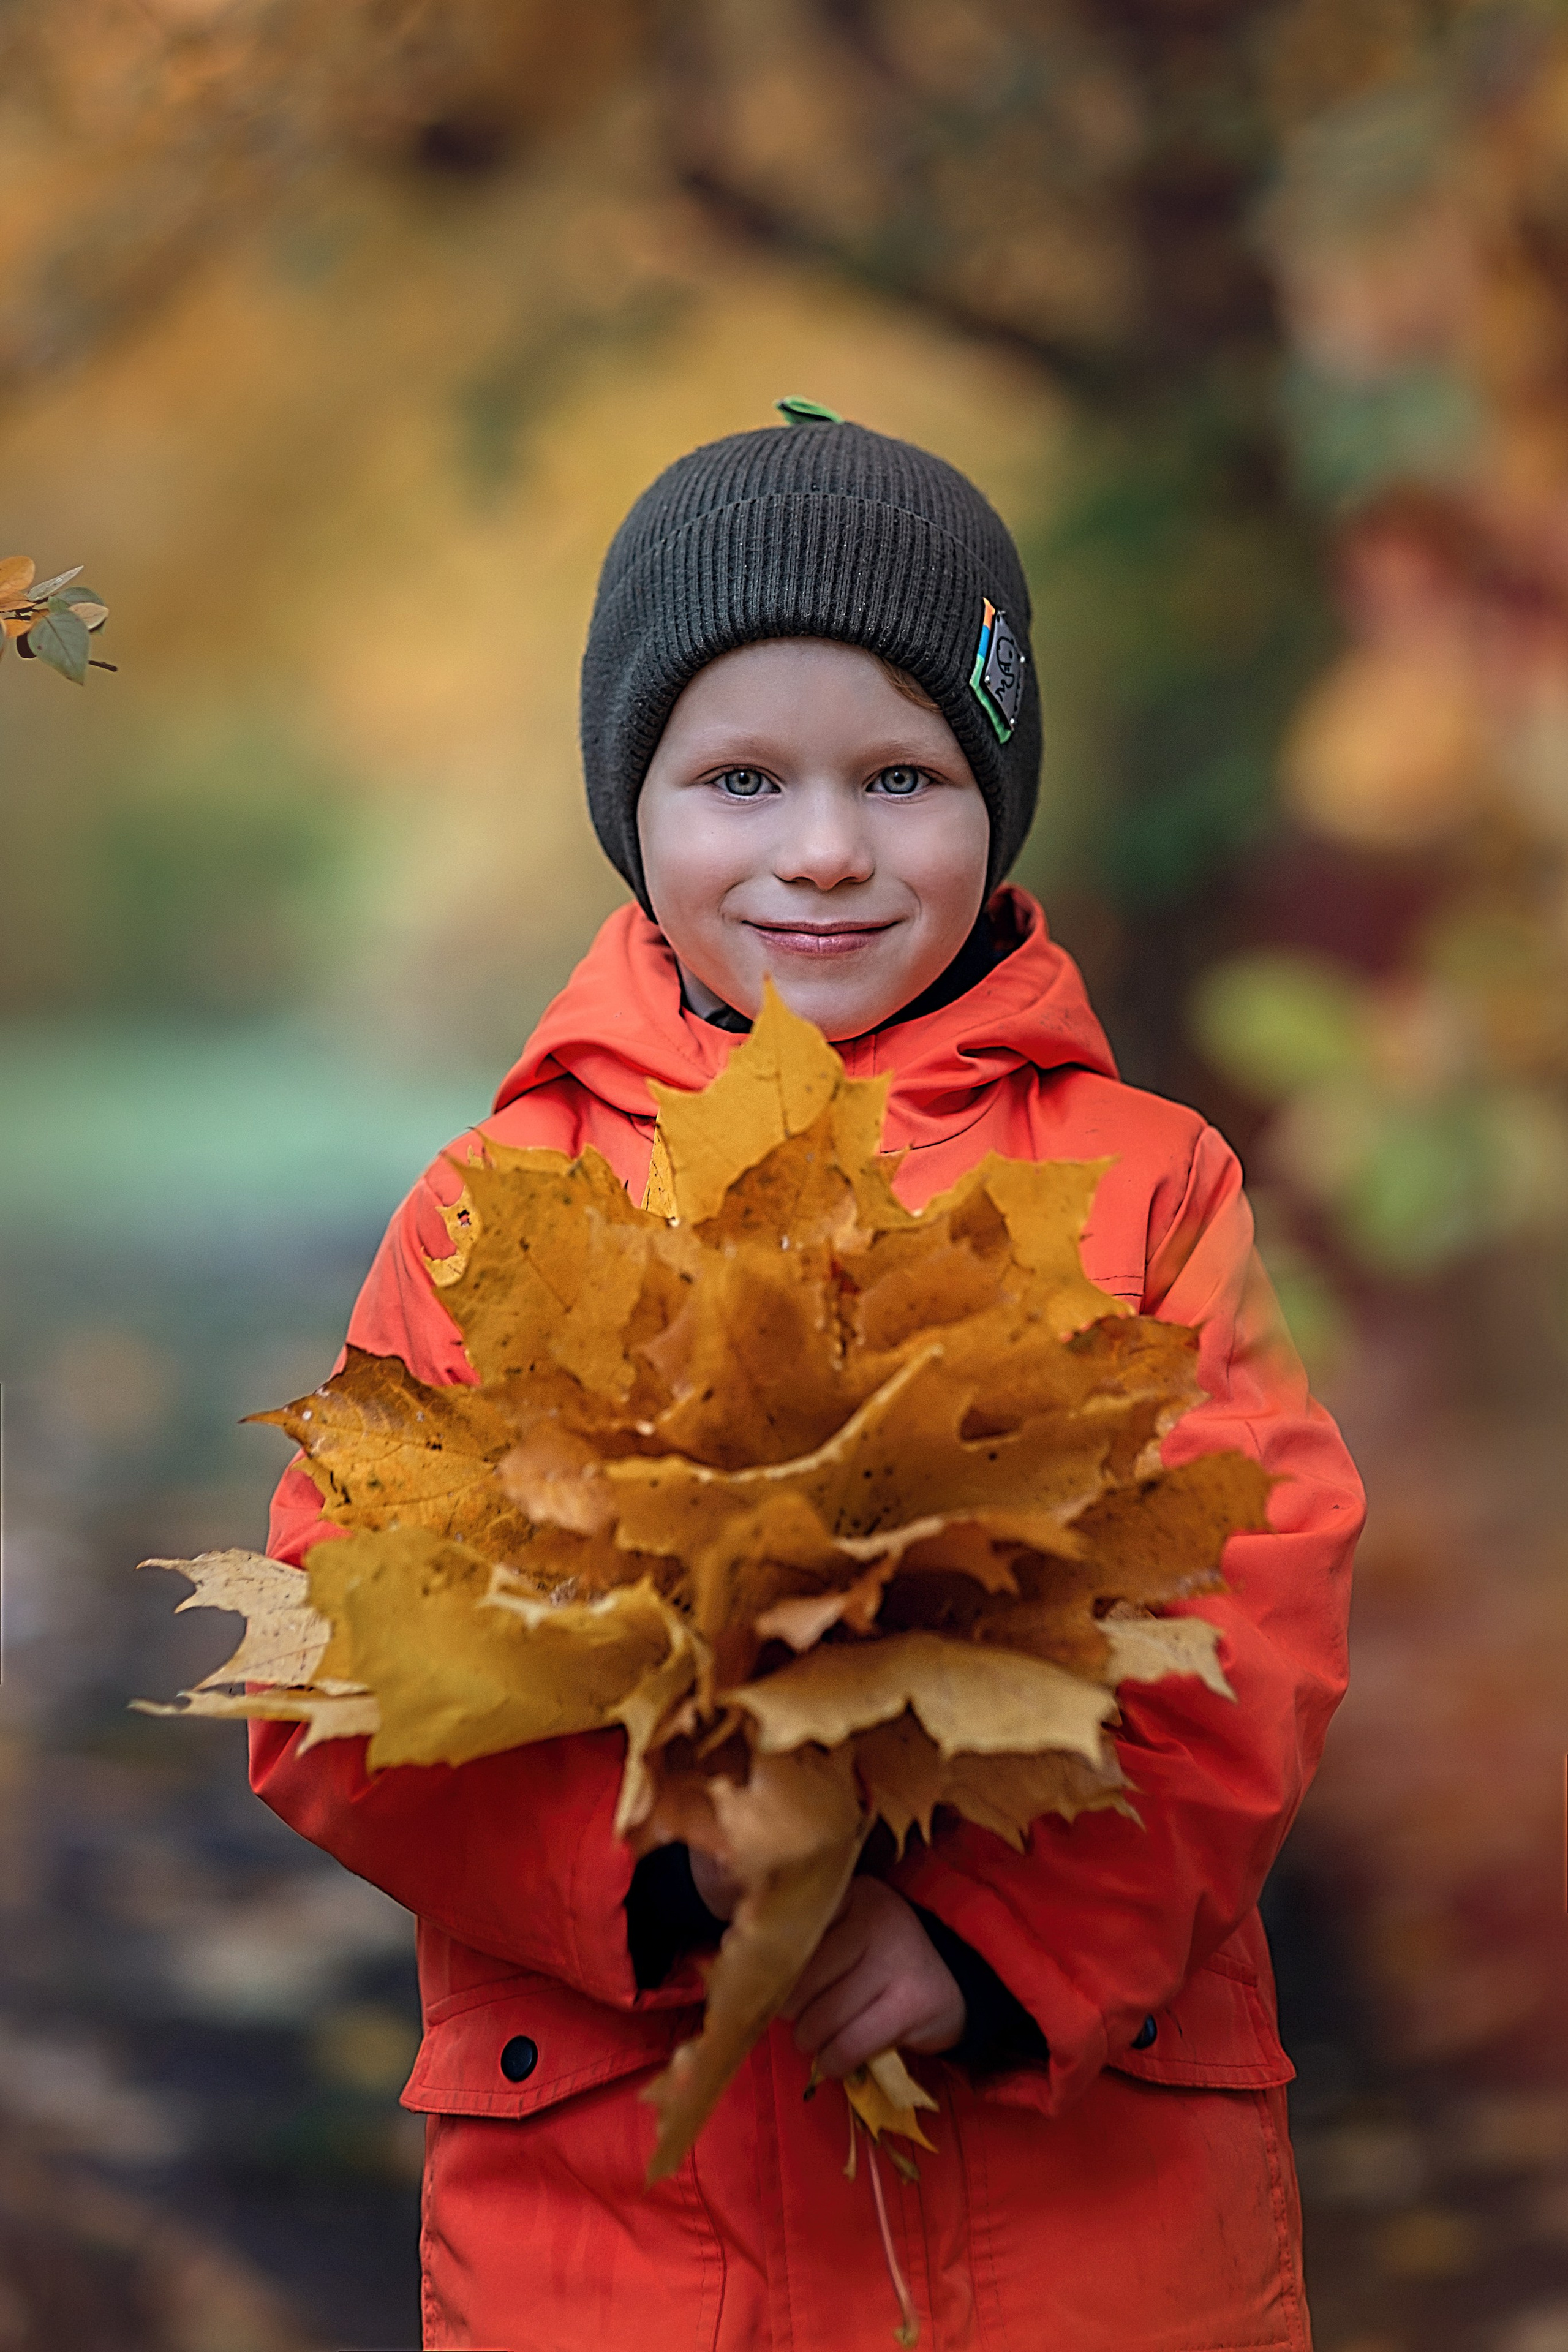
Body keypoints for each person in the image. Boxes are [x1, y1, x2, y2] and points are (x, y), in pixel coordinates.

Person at [252, 406, 1362, 2351]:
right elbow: (340, 1673)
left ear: (995, 802)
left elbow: (1253, 1615)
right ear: (637, 805)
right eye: (742, 777)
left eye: (905, 775)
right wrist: (685, 1884)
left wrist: (994, 1949)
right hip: (627, 2216)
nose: (827, 850)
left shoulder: (1147, 1183)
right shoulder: (494, 1214)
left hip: (1079, 2216)